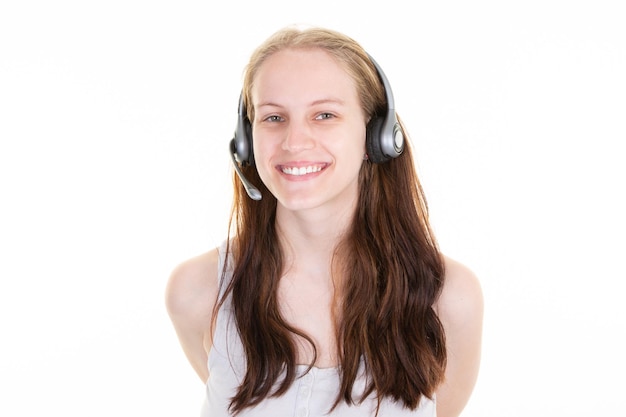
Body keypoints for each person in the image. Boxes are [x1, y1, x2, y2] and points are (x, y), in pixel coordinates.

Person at [166, 25, 483, 417]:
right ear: (246, 142)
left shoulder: (449, 298)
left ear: (377, 136)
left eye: (325, 114)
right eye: (273, 117)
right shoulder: (198, 291)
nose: (295, 141)